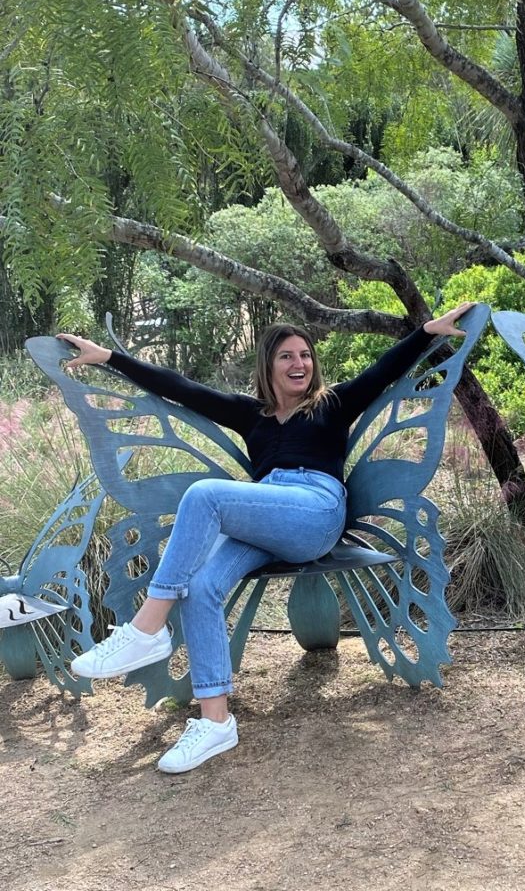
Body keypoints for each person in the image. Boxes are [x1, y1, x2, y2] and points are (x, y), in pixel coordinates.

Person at [62, 303, 475, 774]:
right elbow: (180, 388)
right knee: (201, 587)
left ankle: (146, 629)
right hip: (262, 514)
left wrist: (425, 333)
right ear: (268, 365)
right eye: (287, 356)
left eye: (305, 355)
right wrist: (109, 359)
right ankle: (215, 723)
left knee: (205, 496)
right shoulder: (250, 414)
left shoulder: (333, 403)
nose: (300, 364)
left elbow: (383, 370)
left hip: (314, 512)